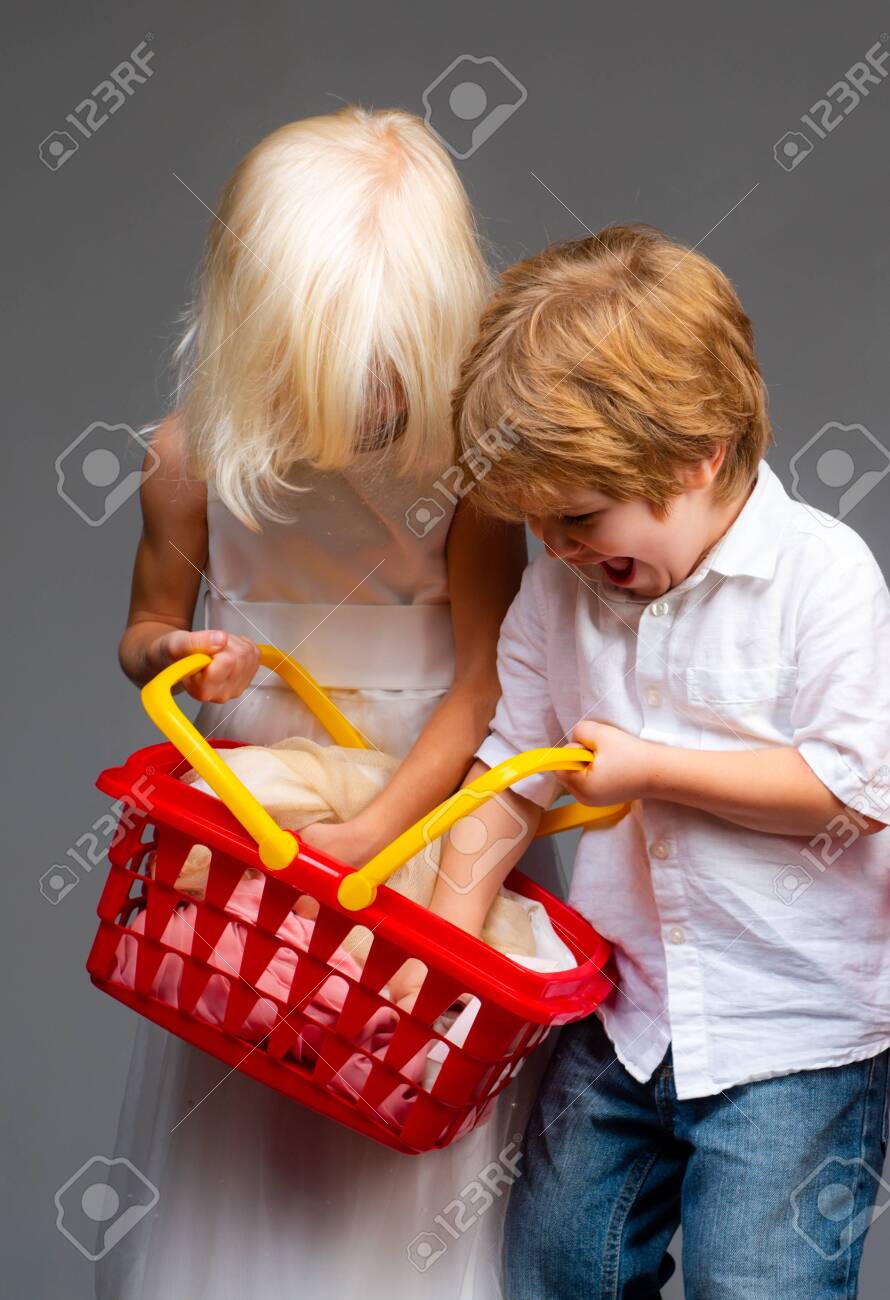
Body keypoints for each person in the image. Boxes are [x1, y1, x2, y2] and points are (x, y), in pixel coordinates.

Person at [97, 106, 560, 1300]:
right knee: (249, 1118)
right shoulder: (189, 457)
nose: (366, 409)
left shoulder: (465, 479)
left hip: (420, 833)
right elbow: (142, 634)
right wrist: (179, 655)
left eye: (389, 374)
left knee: (395, 1109)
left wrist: (375, 841)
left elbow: (485, 684)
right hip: (255, 843)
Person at [396, 224, 890, 1297]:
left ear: (697, 454)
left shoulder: (822, 578)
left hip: (791, 1041)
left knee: (756, 1279)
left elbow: (849, 794)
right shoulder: (554, 595)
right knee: (553, 1267)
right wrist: (436, 947)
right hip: (620, 1020)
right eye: (536, 524)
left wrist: (653, 768)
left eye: (578, 518)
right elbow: (506, 777)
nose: (560, 549)